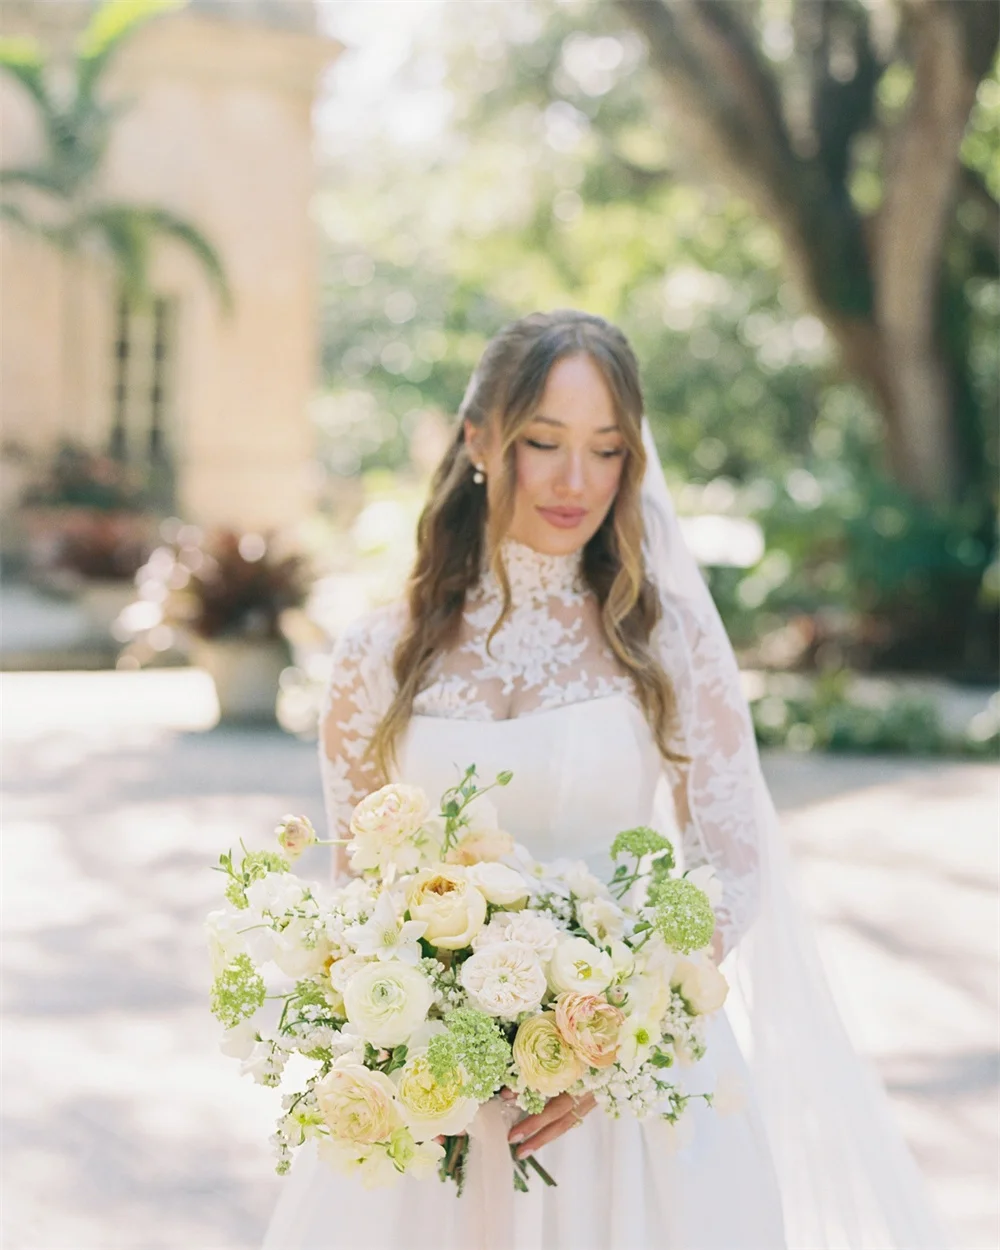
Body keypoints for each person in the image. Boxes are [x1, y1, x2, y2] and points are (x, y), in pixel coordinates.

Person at [262, 310, 949, 1250]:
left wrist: (608, 1029)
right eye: (542, 442)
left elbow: (732, 865)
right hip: (440, 1100)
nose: (575, 481)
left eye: (607, 449)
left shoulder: (661, 638)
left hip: (635, 1091)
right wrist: (427, 1030)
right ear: (477, 439)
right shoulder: (376, 655)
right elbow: (360, 891)